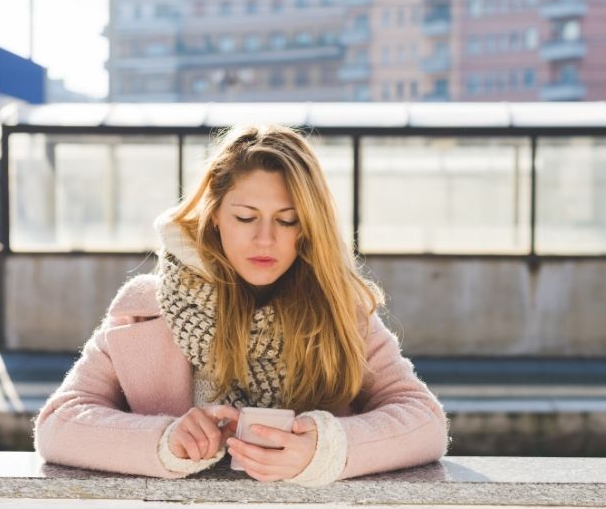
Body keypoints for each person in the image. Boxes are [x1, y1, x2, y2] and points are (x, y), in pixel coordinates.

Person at [33, 124, 450, 487]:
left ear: (307, 227)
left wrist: (323, 449)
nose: (265, 239)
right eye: (246, 217)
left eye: (286, 220)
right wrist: (165, 440)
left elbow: (424, 419)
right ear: (215, 216)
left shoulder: (340, 311)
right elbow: (58, 424)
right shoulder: (146, 307)